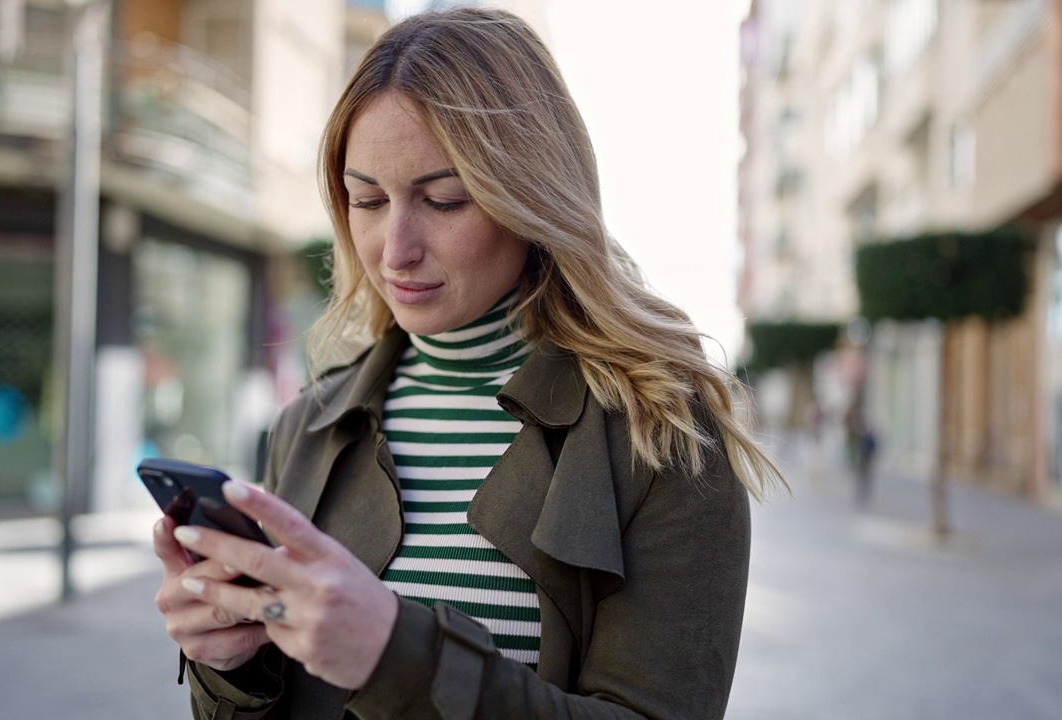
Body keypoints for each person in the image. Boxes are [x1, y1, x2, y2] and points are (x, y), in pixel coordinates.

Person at [152, 8, 785, 719]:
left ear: (532, 194)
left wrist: (394, 653)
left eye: (444, 200)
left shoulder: (661, 430)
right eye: (368, 200)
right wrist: (232, 662)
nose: (396, 249)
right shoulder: (311, 424)